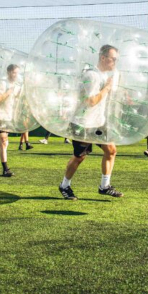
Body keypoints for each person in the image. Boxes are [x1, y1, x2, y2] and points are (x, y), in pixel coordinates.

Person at [59, 44, 123, 200]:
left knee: (111, 150)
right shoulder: (92, 76)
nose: (115, 62)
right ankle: (64, 186)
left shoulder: (104, 76)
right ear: (103, 58)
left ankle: (104, 186)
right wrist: (107, 88)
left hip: (98, 123)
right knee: (79, 157)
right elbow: (91, 101)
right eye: (113, 59)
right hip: (83, 123)